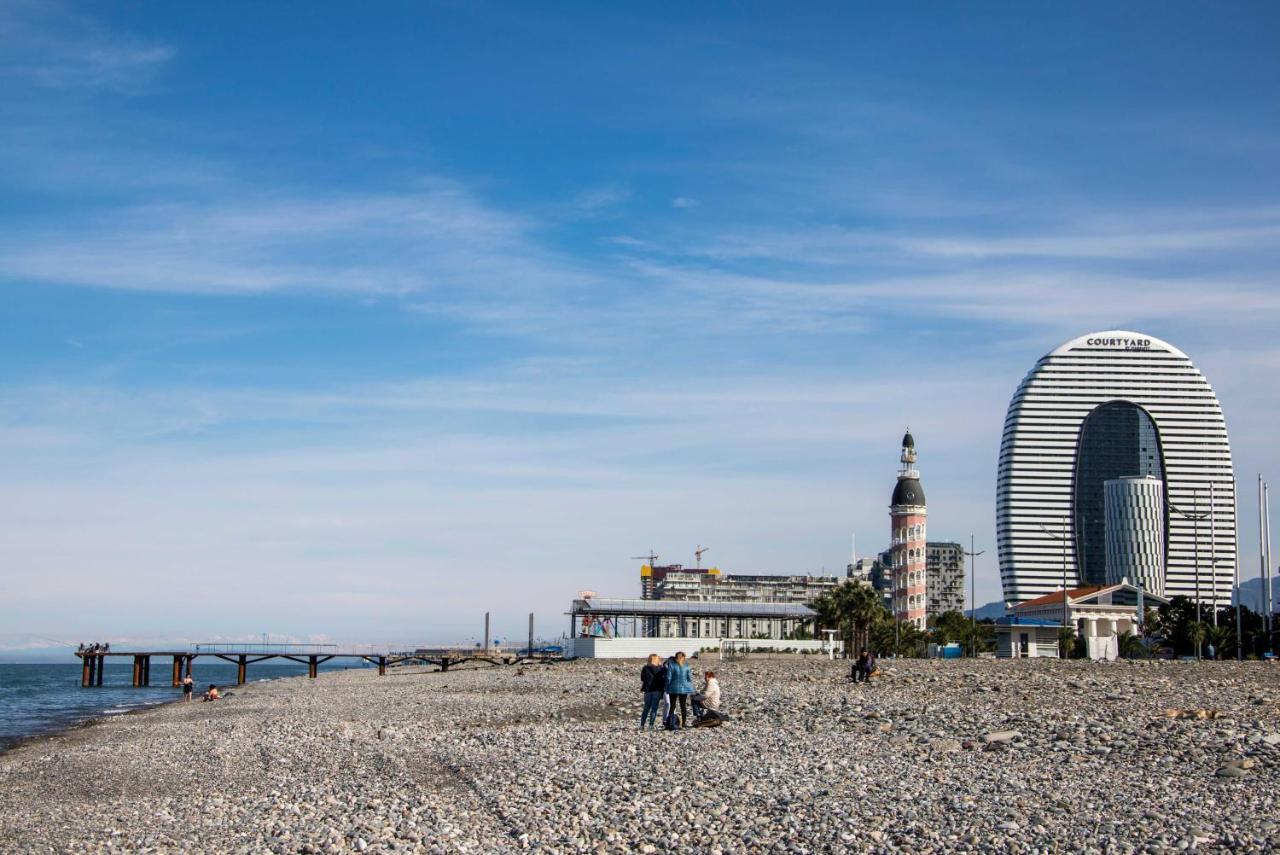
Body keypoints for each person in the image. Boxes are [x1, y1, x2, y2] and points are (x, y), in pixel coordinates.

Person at [664, 651, 694, 727]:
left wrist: (667, 686)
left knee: (672, 705)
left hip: (673, 688)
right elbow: (689, 678)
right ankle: (683, 723)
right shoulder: (687, 666)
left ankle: (670, 723)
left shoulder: (671, 665)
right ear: (683, 658)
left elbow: (668, 678)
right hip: (684, 688)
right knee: (683, 706)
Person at [640, 654, 666, 731]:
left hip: (647, 690)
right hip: (657, 690)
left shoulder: (645, 668)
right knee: (654, 709)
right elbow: (663, 679)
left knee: (646, 708)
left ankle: (642, 725)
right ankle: (651, 725)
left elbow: (642, 678)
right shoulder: (660, 668)